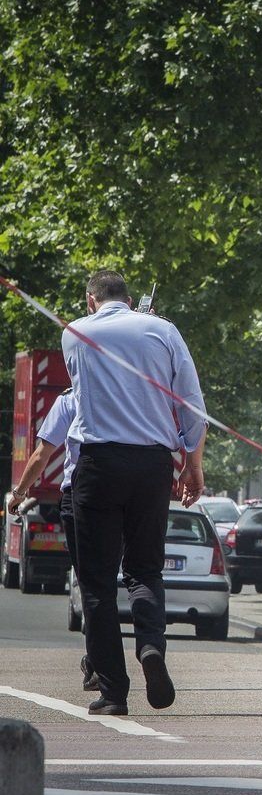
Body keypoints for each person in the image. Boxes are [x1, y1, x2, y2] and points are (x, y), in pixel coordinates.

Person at [63, 271, 207, 716]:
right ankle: (151, 647)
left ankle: (113, 690)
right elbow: (191, 403)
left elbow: (82, 393)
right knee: (145, 570)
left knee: (98, 584)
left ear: (91, 300)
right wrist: (192, 463)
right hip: (151, 465)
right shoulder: (163, 330)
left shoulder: (75, 335)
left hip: (99, 463)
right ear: (128, 298)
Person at [6, 388, 99, 691]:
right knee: (129, 577)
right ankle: (149, 647)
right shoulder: (129, 393)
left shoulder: (71, 399)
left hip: (81, 497)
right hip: (133, 495)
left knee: (92, 585)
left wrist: (20, 493)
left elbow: (42, 453)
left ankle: (100, 664)